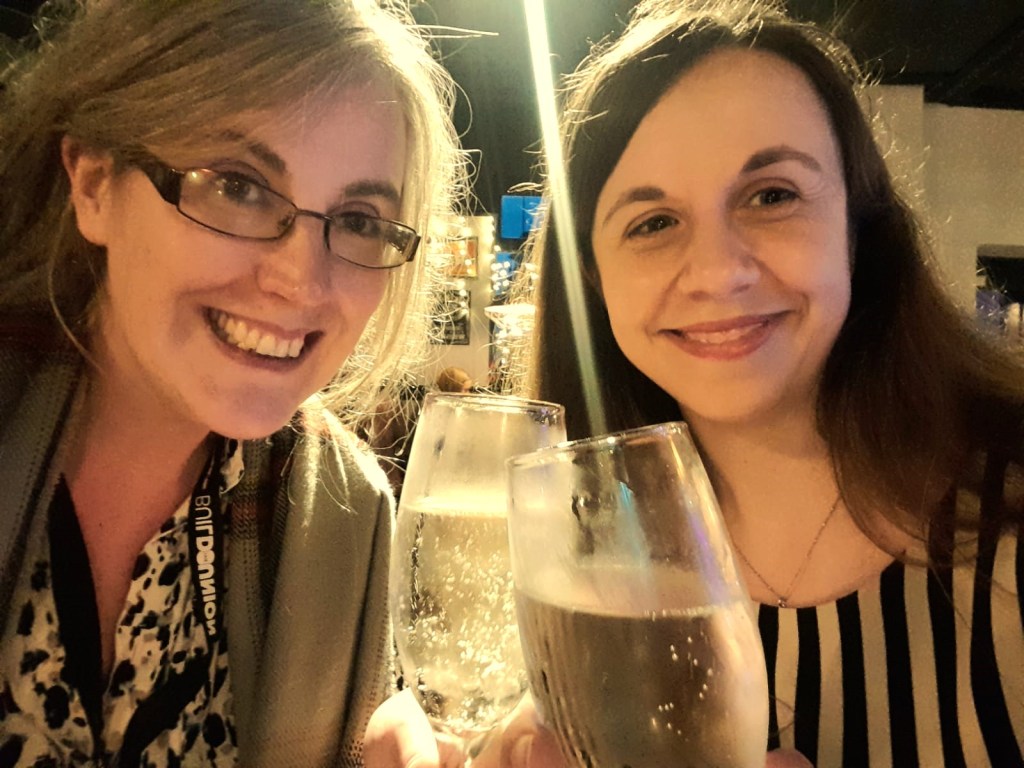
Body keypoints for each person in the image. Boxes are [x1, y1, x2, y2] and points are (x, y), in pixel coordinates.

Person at [523, 0, 1023, 765]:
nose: (719, 272)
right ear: (592, 277)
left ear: (857, 228)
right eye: (653, 223)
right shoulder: (569, 573)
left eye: (772, 196)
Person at [0, 1, 466, 764]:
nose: (301, 280)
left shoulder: (345, 519)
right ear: (93, 183)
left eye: (358, 220)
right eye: (238, 186)